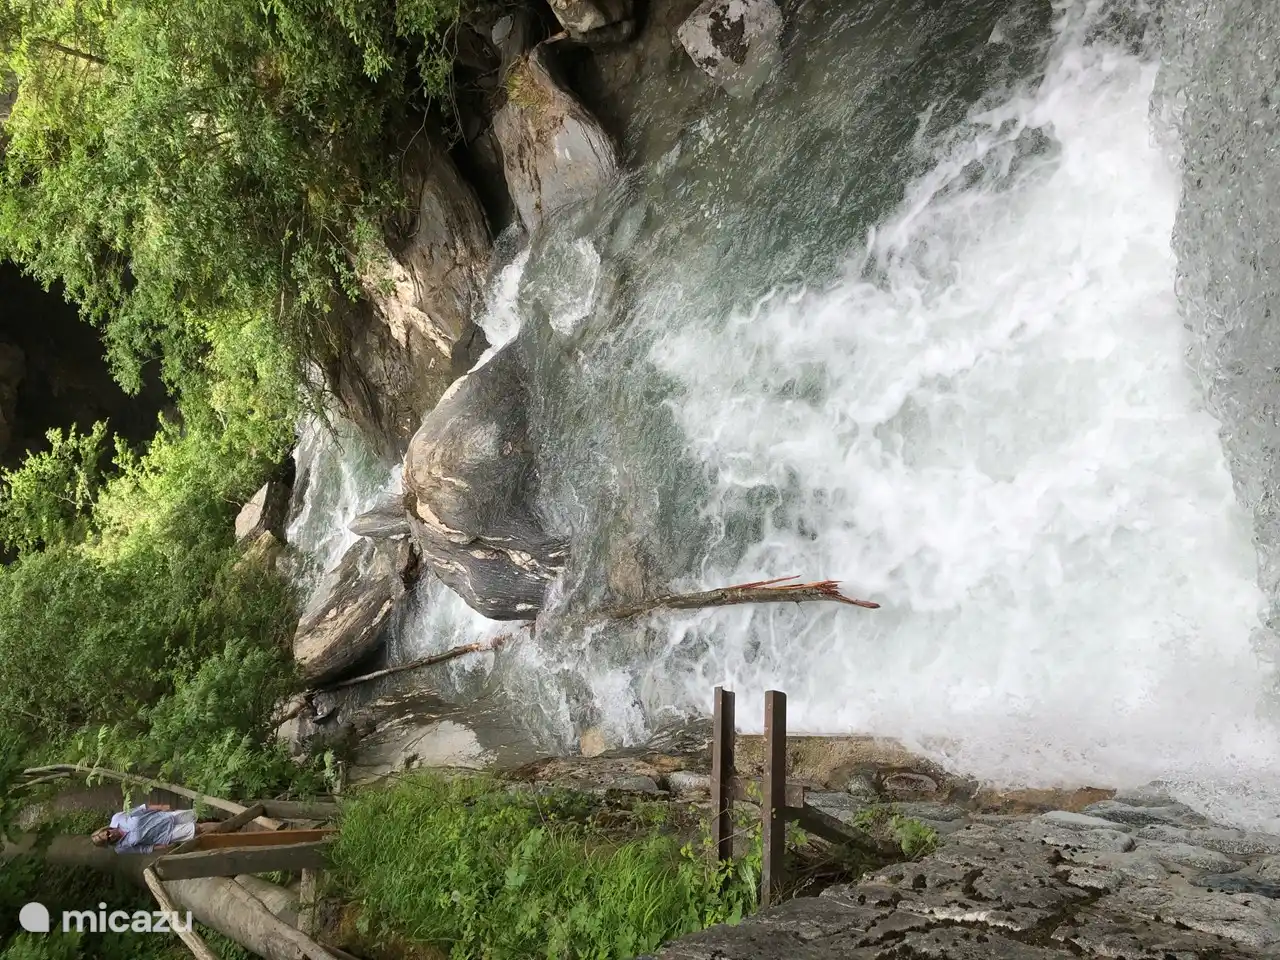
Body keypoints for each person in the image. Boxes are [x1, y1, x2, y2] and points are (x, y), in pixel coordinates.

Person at [90, 803, 215, 854]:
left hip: (164, 817)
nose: (110, 836)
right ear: (107, 843)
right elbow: (143, 849)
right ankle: (226, 825)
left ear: (105, 829)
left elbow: (141, 809)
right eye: (107, 839)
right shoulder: (121, 848)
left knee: (197, 813)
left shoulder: (118, 818)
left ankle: (219, 813)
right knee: (197, 828)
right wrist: (163, 847)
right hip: (167, 835)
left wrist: (162, 806)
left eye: (107, 833)